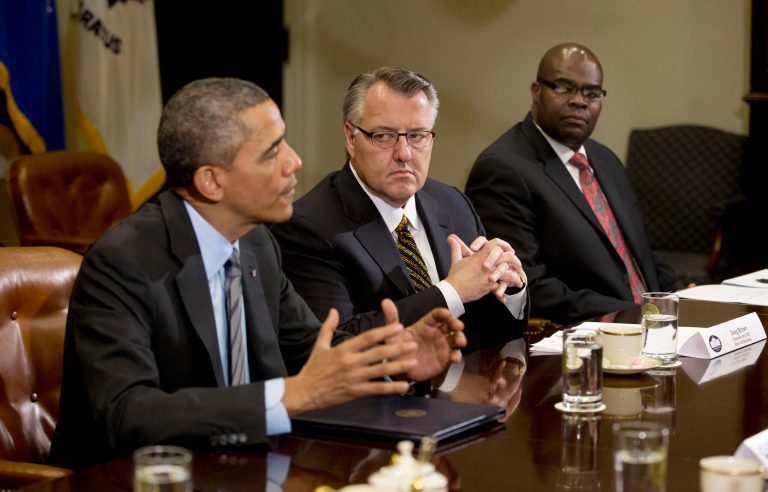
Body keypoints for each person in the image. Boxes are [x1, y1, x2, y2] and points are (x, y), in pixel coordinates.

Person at [49, 78, 466, 469]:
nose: (294, 161)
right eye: (272, 152)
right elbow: (125, 413)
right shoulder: (123, 261)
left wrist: (396, 355)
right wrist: (289, 396)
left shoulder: (256, 244)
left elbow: (311, 348)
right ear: (211, 181)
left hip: (247, 469)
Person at [270, 67, 529, 351]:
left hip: (465, 385)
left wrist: (509, 286)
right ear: (350, 137)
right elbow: (335, 345)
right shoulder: (308, 227)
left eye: (417, 136)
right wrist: (452, 292)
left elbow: (494, 333)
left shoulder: (454, 204)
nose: (404, 153)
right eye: (383, 136)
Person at [466, 43, 682, 326]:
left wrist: (677, 295)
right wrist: (631, 312)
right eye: (564, 87)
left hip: (652, 323)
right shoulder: (503, 169)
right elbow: (527, 284)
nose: (579, 101)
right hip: (585, 335)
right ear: (536, 91)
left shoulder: (605, 158)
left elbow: (638, 251)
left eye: (591, 93)